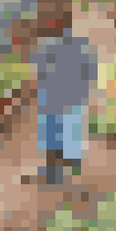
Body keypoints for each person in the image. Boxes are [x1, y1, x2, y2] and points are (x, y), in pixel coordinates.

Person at [24, 18, 98, 186]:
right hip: (68, 99)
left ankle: (57, 174)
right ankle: (66, 172)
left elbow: (38, 72)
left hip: (56, 99)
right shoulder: (79, 46)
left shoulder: (48, 47)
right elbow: (90, 73)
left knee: (56, 137)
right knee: (67, 136)